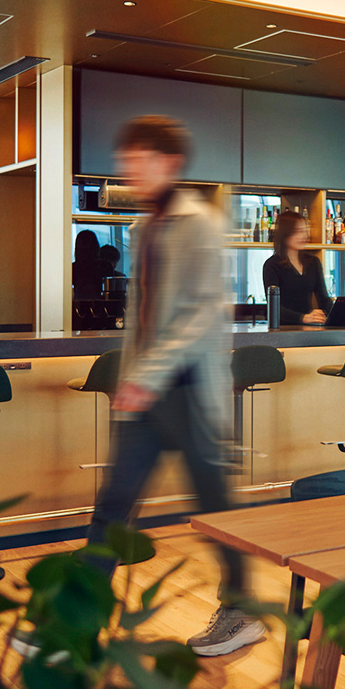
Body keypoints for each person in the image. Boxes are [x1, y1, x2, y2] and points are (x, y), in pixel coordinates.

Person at [86, 115, 262, 657]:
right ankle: (76, 620)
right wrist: (133, 378)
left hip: (188, 392)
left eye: (138, 161)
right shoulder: (145, 228)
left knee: (215, 507)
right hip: (148, 393)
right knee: (113, 505)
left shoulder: (200, 223)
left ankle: (243, 612)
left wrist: (145, 377)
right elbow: (144, 319)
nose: (129, 171)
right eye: (126, 162)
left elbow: (200, 314)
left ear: (169, 163)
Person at [262, 211, 333, 325]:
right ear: (285, 234)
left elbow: (324, 300)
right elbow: (274, 307)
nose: (303, 236)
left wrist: (340, 315)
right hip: (282, 329)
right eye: (298, 232)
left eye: (305, 231)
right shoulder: (272, 265)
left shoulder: (313, 263)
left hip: (309, 327)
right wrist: (303, 318)